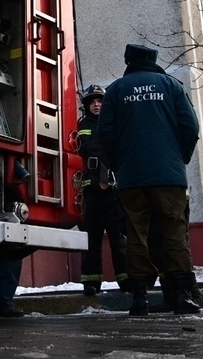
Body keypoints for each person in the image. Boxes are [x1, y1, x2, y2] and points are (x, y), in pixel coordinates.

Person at [98, 43, 201, 316]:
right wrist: (181, 158)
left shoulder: (116, 90)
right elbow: (190, 126)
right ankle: (182, 295)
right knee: (174, 232)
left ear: (128, 61)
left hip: (132, 177)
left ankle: (140, 299)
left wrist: (119, 165)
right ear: (152, 60)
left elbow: (105, 132)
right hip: (169, 174)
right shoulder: (172, 86)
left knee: (135, 235)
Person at [76, 84, 130, 296]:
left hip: (113, 191)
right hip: (90, 190)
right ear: (86, 106)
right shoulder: (80, 126)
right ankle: (91, 282)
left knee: (119, 237)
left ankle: (126, 279)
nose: (97, 105)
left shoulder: (115, 124)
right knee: (90, 237)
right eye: (92, 102)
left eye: (100, 101)